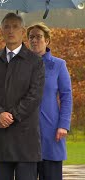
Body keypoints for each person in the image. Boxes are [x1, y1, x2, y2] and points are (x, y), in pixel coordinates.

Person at [0, 13, 45, 180]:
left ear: (22, 31)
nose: (11, 30)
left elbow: (35, 95)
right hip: (0, 137)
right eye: (6, 26)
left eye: (15, 26)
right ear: (1, 30)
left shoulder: (35, 61)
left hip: (25, 138)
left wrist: (12, 116)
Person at [27, 22, 72, 180]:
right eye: (31, 37)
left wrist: (63, 125)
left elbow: (66, 96)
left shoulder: (59, 65)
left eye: (38, 37)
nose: (34, 40)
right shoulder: (21, 65)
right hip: (26, 132)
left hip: (52, 131)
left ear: (47, 40)